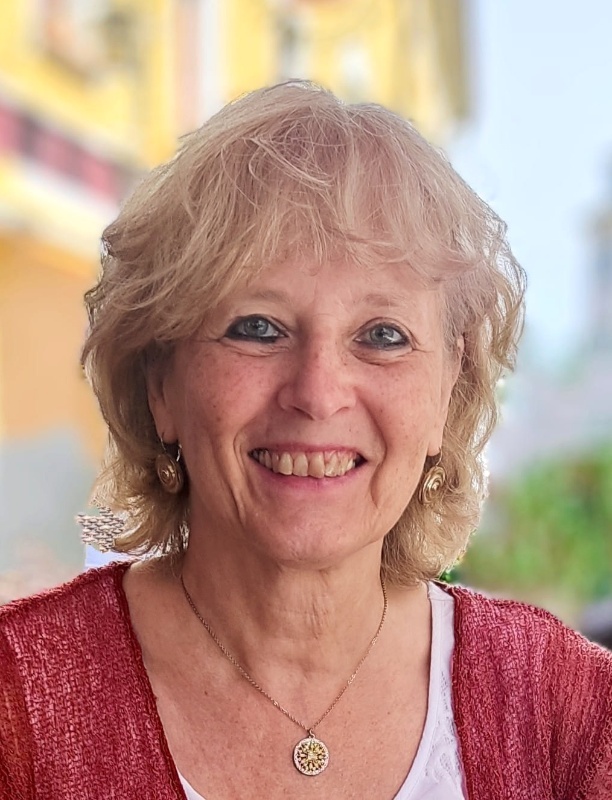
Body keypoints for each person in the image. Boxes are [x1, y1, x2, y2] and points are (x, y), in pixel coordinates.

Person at [1, 82, 611, 800]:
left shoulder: (570, 717)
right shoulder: (18, 708)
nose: (318, 394)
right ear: (160, 384)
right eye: (258, 328)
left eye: (383, 336)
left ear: (449, 392)